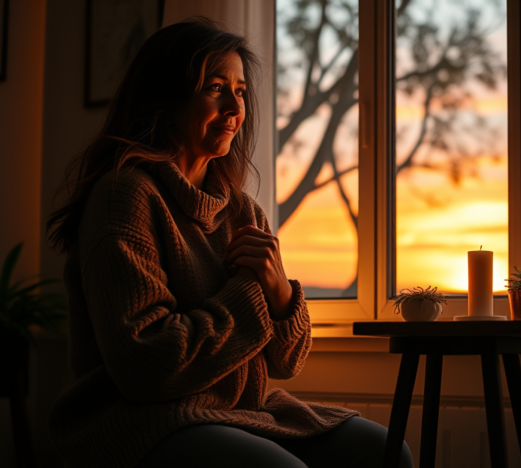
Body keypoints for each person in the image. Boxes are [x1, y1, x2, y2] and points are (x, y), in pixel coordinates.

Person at [46, 17, 412, 468]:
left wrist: (279, 293)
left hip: (239, 411)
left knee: (386, 451)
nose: (235, 109)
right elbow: (145, 366)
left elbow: (287, 362)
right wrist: (250, 293)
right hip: (141, 419)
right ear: (167, 97)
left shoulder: (243, 211)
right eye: (216, 88)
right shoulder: (125, 195)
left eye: (239, 91)